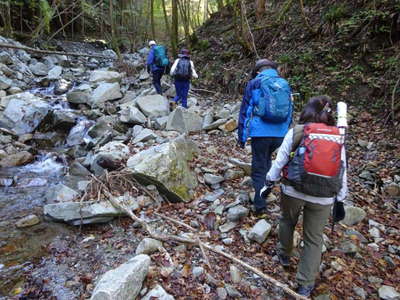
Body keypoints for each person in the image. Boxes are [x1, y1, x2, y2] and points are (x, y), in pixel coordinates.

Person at [261, 95, 347, 297]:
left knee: (287, 221)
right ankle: (305, 283)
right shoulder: (338, 136)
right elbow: (343, 170)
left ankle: (284, 254)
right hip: (324, 197)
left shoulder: (298, 132)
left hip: (293, 189)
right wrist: (340, 200)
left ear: (307, 111)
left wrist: (268, 183)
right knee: (314, 239)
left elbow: (280, 161)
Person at [238, 59, 292, 216]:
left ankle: (259, 205)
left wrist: (242, 136)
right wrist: (285, 131)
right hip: (280, 134)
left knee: (258, 167)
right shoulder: (284, 83)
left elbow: (246, 111)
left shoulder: (255, 83)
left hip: (261, 133)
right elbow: (290, 110)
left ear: (258, 71)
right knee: (268, 159)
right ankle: (266, 191)